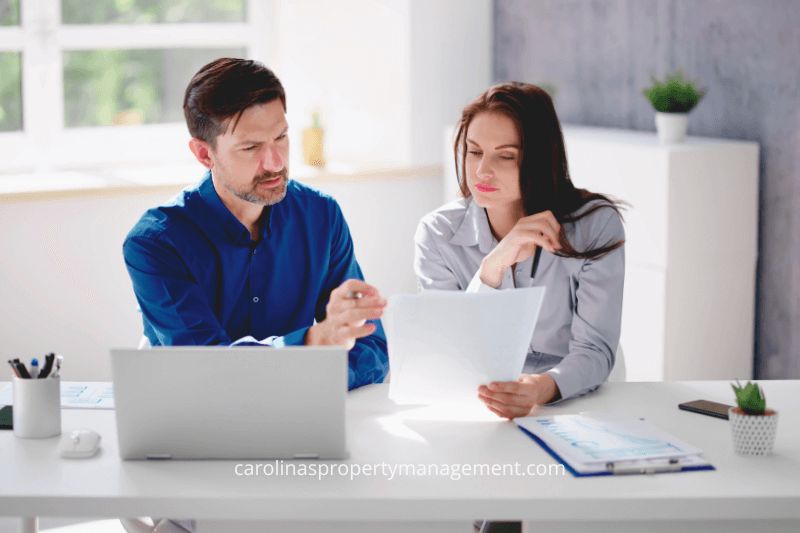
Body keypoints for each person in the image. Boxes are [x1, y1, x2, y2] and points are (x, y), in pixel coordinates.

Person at [123, 58, 388, 391]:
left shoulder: (322, 217)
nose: (275, 162)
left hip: (301, 417)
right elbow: (207, 371)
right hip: (196, 426)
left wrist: (312, 364)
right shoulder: (156, 244)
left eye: (281, 138)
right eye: (251, 147)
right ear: (205, 154)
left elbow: (372, 352)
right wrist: (312, 348)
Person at [414, 82, 625, 419]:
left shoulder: (595, 225)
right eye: (474, 151)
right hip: (477, 402)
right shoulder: (437, 233)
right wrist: (493, 267)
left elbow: (594, 351)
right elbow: (450, 352)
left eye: (506, 155)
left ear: (540, 159)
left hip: (573, 399)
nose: (483, 170)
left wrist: (540, 388)